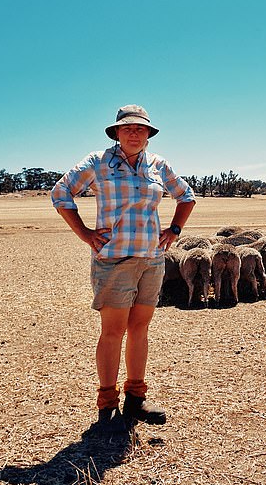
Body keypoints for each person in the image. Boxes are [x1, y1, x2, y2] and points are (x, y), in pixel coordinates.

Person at [51, 104, 195, 432]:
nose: (134, 133)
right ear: (116, 132)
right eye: (128, 128)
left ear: (149, 134)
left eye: (141, 128)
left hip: (151, 259)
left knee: (140, 328)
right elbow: (60, 194)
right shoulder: (98, 163)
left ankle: (136, 399)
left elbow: (186, 196)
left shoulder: (159, 165)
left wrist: (173, 230)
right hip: (113, 260)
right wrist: (86, 233)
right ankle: (106, 405)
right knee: (113, 331)